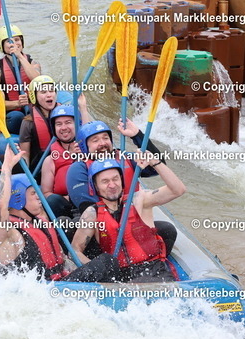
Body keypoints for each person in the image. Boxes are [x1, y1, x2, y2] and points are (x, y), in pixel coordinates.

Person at [0, 146, 120, 282]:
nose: (39, 196)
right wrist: (7, 167)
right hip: (41, 289)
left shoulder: (40, 221)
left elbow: (63, 260)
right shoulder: (8, 232)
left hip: (60, 283)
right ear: (18, 198)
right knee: (107, 262)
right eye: (33, 193)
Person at [65, 119, 177, 255]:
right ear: (84, 147)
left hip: (132, 219)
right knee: (74, 225)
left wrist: (137, 135)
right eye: (95, 140)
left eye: (105, 138)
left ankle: (152, 259)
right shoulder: (78, 169)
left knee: (167, 230)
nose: (102, 143)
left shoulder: (125, 159)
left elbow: (157, 165)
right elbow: (87, 207)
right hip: (99, 226)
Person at [71, 157, 186, 282]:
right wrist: (99, 269)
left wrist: (154, 162)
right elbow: (75, 251)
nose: (112, 185)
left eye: (115, 179)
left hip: (154, 271)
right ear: (96, 186)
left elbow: (178, 190)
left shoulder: (140, 200)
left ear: (122, 180)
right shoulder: (92, 214)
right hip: (121, 278)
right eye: (105, 181)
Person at [40, 104, 88, 219]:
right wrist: (69, 198)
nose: (63, 128)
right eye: (59, 124)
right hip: (66, 209)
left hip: (90, 205)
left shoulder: (89, 153)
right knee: (52, 200)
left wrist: (83, 108)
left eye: (68, 122)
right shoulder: (50, 161)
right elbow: (46, 194)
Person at [0, 25, 41, 134]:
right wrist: (17, 103)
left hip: (32, 108)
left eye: (17, 40)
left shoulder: (33, 62)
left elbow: (38, 81)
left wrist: (20, 57)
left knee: (34, 113)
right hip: (13, 113)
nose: (14, 43)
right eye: (9, 41)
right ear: (1, 45)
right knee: (17, 117)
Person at [18, 75, 58, 170]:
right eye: (43, 92)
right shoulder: (28, 123)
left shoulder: (66, 116)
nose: (49, 95)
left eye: (51, 91)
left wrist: (83, 108)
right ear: (34, 96)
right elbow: (25, 155)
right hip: (40, 167)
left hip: (63, 161)